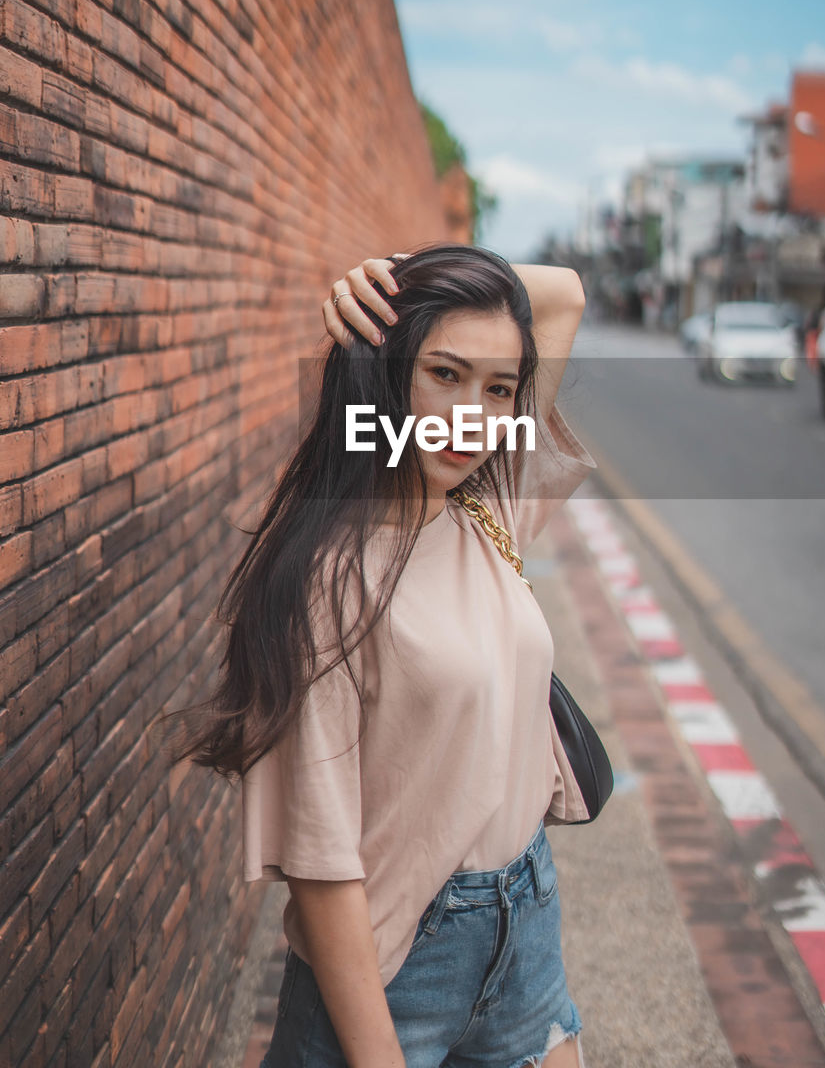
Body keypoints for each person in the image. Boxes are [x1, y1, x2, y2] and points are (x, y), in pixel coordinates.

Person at [173, 243, 598, 1067]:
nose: (471, 417)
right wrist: (388, 296)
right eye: (443, 373)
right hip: (397, 963)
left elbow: (562, 294)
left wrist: (396, 262)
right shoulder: (325, 581)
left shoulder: (489, 507)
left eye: (498, 389)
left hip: (528, 917)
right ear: (383, 371)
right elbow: (322, 861)